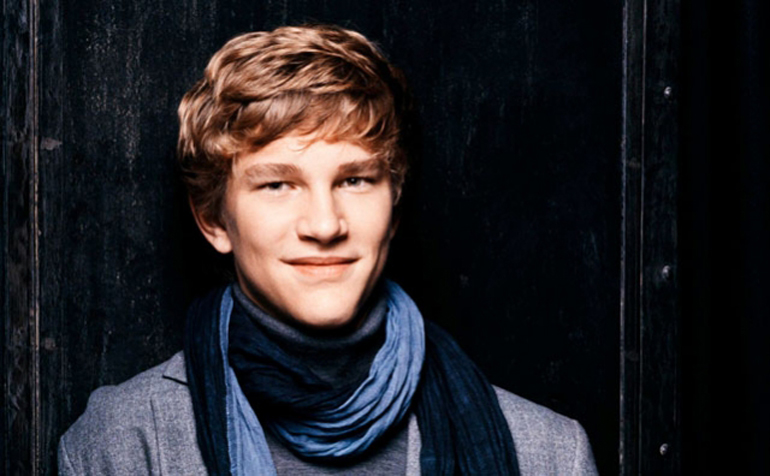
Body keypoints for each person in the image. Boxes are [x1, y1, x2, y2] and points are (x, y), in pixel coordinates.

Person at [58, 24, 598, 475]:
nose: (324, 224)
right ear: (214, 220)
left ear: (394, 207)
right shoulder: (126, 444)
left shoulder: (549, 455)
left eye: (355, 180)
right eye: (278, 184)